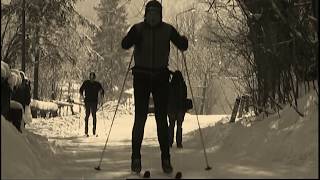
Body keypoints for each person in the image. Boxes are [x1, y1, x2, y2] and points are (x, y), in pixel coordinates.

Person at [121, 0, 188, 174]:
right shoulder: (138, 29)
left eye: (155, 13)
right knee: (140, 118)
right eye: (150, 13)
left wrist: (183, 41)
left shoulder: (167, 29)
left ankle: (166, 159)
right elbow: (124, 44)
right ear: (145, 14)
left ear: (160, 15)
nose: (152, 17)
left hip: (160, 78)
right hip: (142, 77)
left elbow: (182, 45)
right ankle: (136, 158)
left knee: (161, 120)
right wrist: (131, 38)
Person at [79, 72, 104, 137]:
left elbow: (102, 91)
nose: (92, 79)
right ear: (89, 77)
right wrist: (82, 96)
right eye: (91, 77)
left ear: (94, 78)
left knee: (94, 116)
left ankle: (94, 131)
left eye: (93, 77)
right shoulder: (86, 83)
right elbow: (81, 89)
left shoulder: (97, 84)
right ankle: (86, 132)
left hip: (94, 102)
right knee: (87, 116)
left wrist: (101, 94)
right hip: (87, 101)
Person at [168, 70, 187, 149]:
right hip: (180, 109)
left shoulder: (170, 85)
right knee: (179, 126)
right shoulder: (183, 85)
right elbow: (185, 96)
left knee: (171, 125)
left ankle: (169, 142)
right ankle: (179, 143)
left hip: (171, 109)